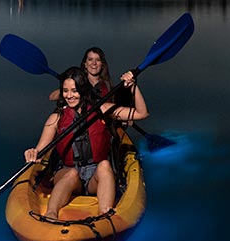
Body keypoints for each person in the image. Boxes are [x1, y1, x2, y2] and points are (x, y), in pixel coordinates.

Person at [24, 66, 148, 219]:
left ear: (83, 90)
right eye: (65, 91)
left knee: (105, 165)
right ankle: (51, 214)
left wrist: (133, 87)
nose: (69, 96)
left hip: (94, 177)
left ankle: (105, 214)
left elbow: (141, 113)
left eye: (74, 91)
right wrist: (33, 153)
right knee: (72, 173)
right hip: (67, 173)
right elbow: (39, 150)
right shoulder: (56, 118)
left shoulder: (102, 109)